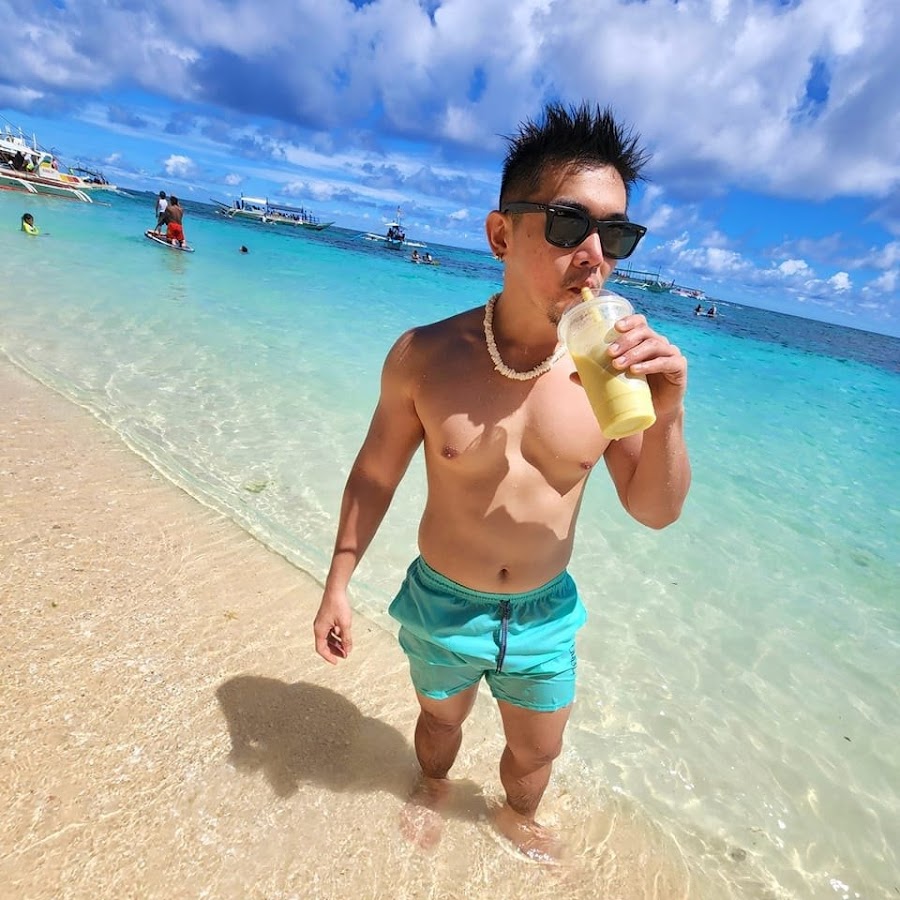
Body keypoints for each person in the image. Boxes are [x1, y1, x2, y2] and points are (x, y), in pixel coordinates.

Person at [313, 102, 690, 862]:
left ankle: (516, 819)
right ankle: (430, 787)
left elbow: (654, 510)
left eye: (615, 235)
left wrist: (670, 412)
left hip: (545, 613)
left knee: (536, 754)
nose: (594, 255)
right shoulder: (425, 356)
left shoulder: (612, 373)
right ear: (500, 234)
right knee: (439, 724)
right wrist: (338, 584)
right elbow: (375, 473)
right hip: (443, 600)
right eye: (568, 224)